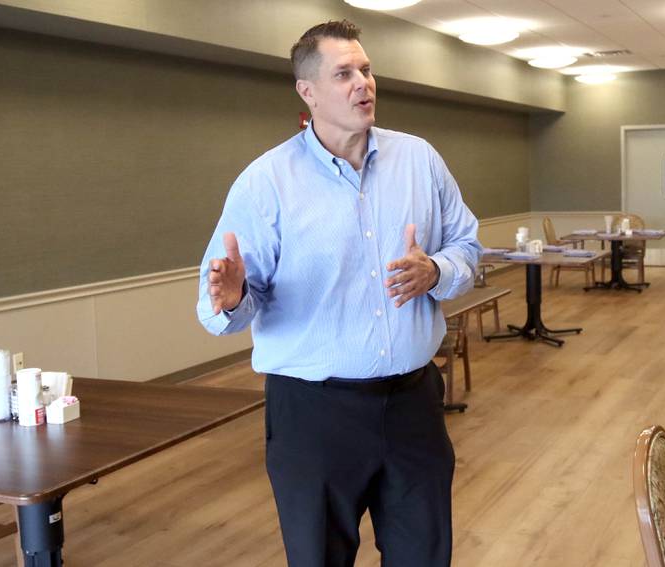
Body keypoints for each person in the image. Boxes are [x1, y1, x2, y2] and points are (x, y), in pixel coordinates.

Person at [196, 19, 481, 567]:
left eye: (367, 70)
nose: (363, 84)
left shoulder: (420, 160)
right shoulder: (266, 182)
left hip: (414, 404)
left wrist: (438, 270)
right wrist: (233, 299)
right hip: (313, 414)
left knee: (425, 556)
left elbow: (468, 244)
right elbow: (216, 311)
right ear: (308, 92)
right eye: (344, 73)